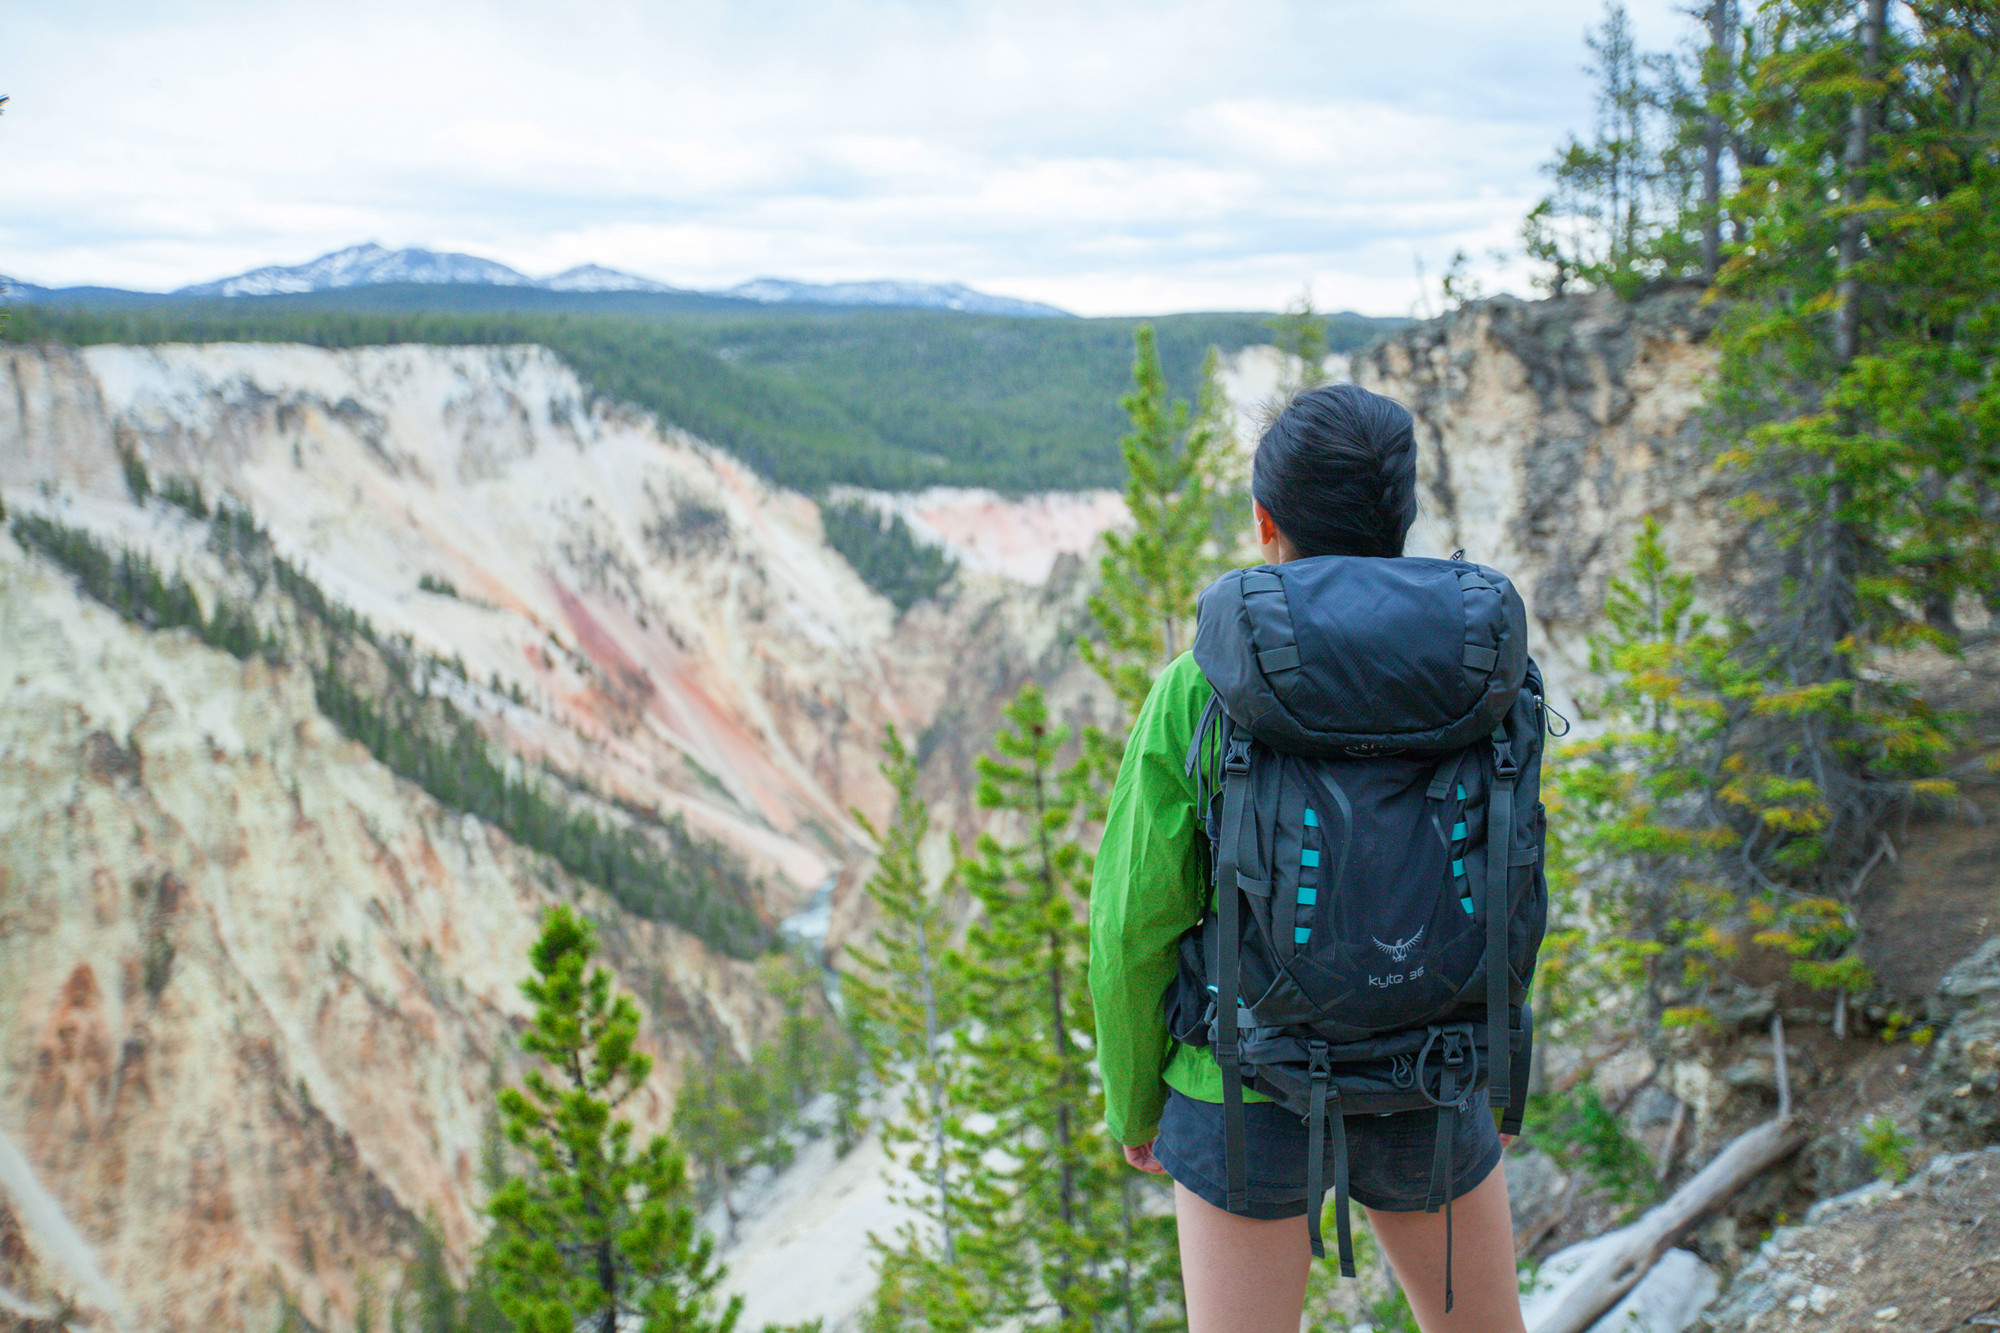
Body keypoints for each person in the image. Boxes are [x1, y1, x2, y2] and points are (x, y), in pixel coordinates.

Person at [1088, 383, 1530, 1333]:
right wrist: (1500, 1063)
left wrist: (1134, 1102)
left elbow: (1134, 920)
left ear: (1264, 523)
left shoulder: (1200, 682)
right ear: (1402, 517)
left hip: (1240, 1083)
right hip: (1433, 1069)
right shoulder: (1478, 668)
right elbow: (1510, 880)